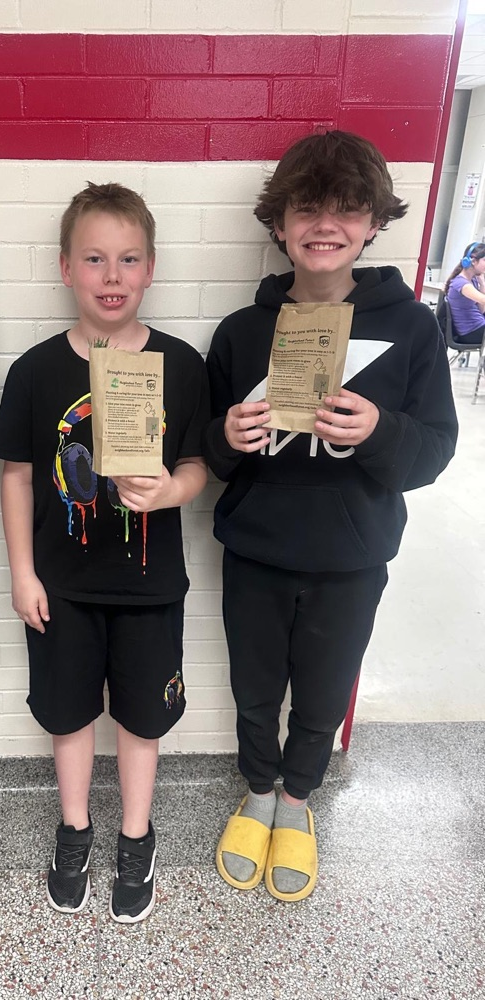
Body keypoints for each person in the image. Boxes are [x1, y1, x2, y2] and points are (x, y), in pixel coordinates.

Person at [203, 130, 458, 902]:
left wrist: (380, 430)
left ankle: (295, 803)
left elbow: (437, 450)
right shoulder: (244, 331)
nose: (326, 224)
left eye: (348, 209)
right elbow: (204, 451)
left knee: (322, 690)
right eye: (307, 207)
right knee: (255, 686)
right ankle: (255, 794)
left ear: (374, 223)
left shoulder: (411, 327)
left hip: (353, 558)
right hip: (255, 550)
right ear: (278, 222)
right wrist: (229, 437)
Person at [0, 182, 210, 923]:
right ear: (65, 269)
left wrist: (171, 493)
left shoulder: (181, 365)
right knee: (69, 716)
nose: (111, 276)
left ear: (151, 269)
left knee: (142, 722)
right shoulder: (37, 369)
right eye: (94, 259)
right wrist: (22, 572)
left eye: (128, 259)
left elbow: (199, 466)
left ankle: (136, 838)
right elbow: (18, 474)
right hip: (64, 587)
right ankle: (74, 828)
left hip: (150, 589)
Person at [443, 242, 485, 344]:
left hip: (478, 327)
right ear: (474, 261)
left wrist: (482, 283)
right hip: (471, 332)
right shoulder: (462, 284)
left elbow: (481, 309)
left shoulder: (473, 280)